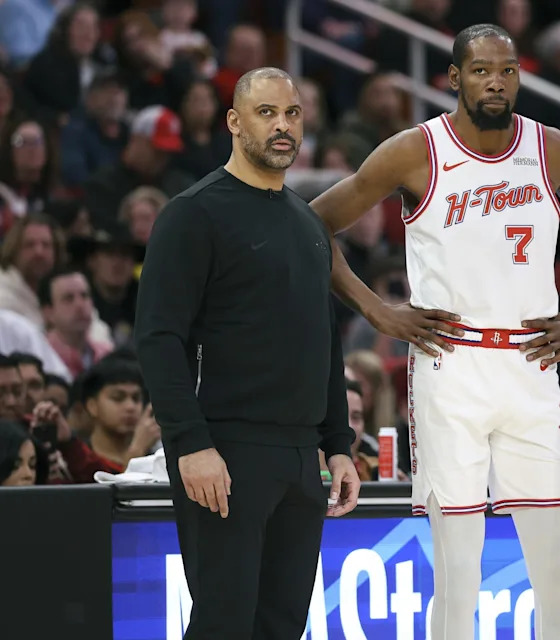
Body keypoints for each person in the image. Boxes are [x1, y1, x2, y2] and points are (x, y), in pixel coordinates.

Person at [308, 23, 560, 640]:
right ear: (454, 77)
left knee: (559, 566)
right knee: (458, 573)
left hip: (532, 370)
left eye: (507, 71)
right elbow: (312, 224)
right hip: (450, 368)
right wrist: (378, 311)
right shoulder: (415, 150)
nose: (496, 82)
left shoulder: (551, 148)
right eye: (481, 70)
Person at [134, 67, 360, 640]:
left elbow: (323, 340)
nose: (282, 126)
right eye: (266, 113)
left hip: (300, 456)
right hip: (226, 450)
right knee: (224, 623)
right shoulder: (194, 213)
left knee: (282, 625)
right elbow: (160, 337)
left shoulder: (309, 223)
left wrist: (337, 446)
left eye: (292, 113)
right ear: (234, 122)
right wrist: (190, 442)